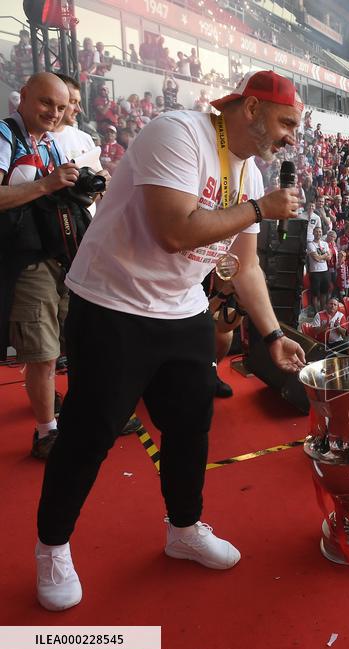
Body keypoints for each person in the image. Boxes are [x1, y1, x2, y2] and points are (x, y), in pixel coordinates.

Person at [33, 71, 306, 612]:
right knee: (90, 432)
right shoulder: (178, 133)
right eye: (286, 122)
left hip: (182, 310)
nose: (292, 136)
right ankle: (52, 547)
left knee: (190, 427)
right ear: (251, 108)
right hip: (114, 305)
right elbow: (175, 232)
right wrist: (259, 211)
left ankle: (183, 528)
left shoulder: (250, 174)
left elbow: (246, 267)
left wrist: (273, 334)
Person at [0, 73, 78, 459]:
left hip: (55, 256)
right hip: (24, 261)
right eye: (47, 103)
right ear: (25, 96)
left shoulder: (48, 143)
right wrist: (48, 185)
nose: (54, 112)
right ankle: (46, 434)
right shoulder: (3, 135)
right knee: (43, 351)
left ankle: (58, 421)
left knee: (60, 345)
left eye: (61, 107)